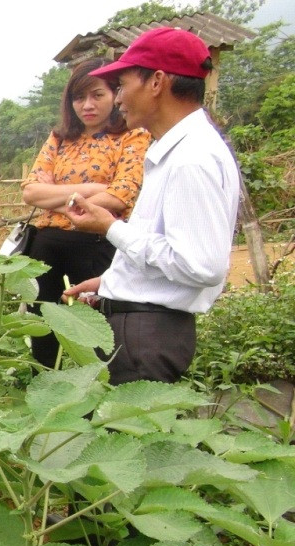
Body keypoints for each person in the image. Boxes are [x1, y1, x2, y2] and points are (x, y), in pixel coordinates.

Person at [63, 27, 240, 385]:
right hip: (141, 328)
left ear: (157, 82)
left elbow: (201, 266)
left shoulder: (191, 159)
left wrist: (110, 228)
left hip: (145, 337)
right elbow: (168, 245)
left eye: (122, 84)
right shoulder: (175, 150)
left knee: (128, 439)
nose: (118, 98)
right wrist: (112, 282)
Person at [21, 58, 150, 368]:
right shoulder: (60, 137)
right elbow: (29, 192)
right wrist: (93, 187)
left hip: (98, 243)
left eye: (97, 95)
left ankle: (94, 399)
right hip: (46, 245)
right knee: (43, 326)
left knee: (98, 328)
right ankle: (46, 388)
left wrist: (54, 195)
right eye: (79, 97)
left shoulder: (132, 136)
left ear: (115, 95)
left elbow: (121, 196)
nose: (87, 105)